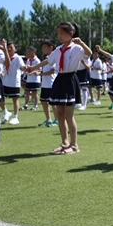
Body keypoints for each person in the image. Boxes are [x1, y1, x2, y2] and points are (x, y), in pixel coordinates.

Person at [26, 23, 91, 154]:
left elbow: (88, 53)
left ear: (71, 33)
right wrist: (33, 68)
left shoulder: (77, 48)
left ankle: (74, 145)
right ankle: (64, 143)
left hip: (70, 80)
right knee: (59, 115)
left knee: (69, 115)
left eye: (62, 33)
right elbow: (48, 61)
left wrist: (82, 43)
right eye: (58, 34)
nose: (59, 36)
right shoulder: (59, 49)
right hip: (59, 80)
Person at [0, 41, 25, 125]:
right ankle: (6, 112)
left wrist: (27, 68)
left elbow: (22, 67)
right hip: (5, 81)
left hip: (14, 82)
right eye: (8, 47)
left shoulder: (18, 58)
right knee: (0, 98)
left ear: (16, 49)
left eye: (11, 47)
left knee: (15, 99)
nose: (9, 49)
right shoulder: (4, 57)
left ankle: (15, 117)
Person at [36, 40, 58, 127]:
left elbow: (52, 71)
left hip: (51, 84)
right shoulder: (47, 58)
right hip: (45, 84)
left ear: (51, 48)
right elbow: (44, 70)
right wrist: (36, 71)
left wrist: (41, 74)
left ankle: (57, 120)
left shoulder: (54, 58)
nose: (43, 49)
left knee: (53, 103)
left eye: (45, 47)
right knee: (43, 101)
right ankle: (49, 119)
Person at [22, 46, 42, 110]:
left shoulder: (37, 60)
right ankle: (26, 105)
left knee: (34, 93)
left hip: (35, 79)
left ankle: (36, 106)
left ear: (34, 52)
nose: (28, 53)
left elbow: (40, 69)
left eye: (30, 51)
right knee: (27, 92)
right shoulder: (28, 60)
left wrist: (33, 72)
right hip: (29, 79)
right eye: (28, 51)